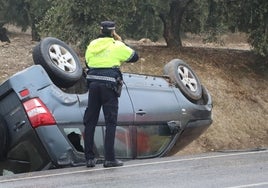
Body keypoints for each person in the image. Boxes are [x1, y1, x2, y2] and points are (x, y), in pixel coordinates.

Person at [83, 21, 139, 168]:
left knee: (90, 121)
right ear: (113, 32)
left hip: (93, 85)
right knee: (110, 122)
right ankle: (109, 159)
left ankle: (89, 158)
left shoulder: (92, 44)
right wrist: (121, 42)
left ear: (100, 30)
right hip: (109, 87)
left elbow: (88, 63)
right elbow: (135, 57)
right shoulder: (117, 45)